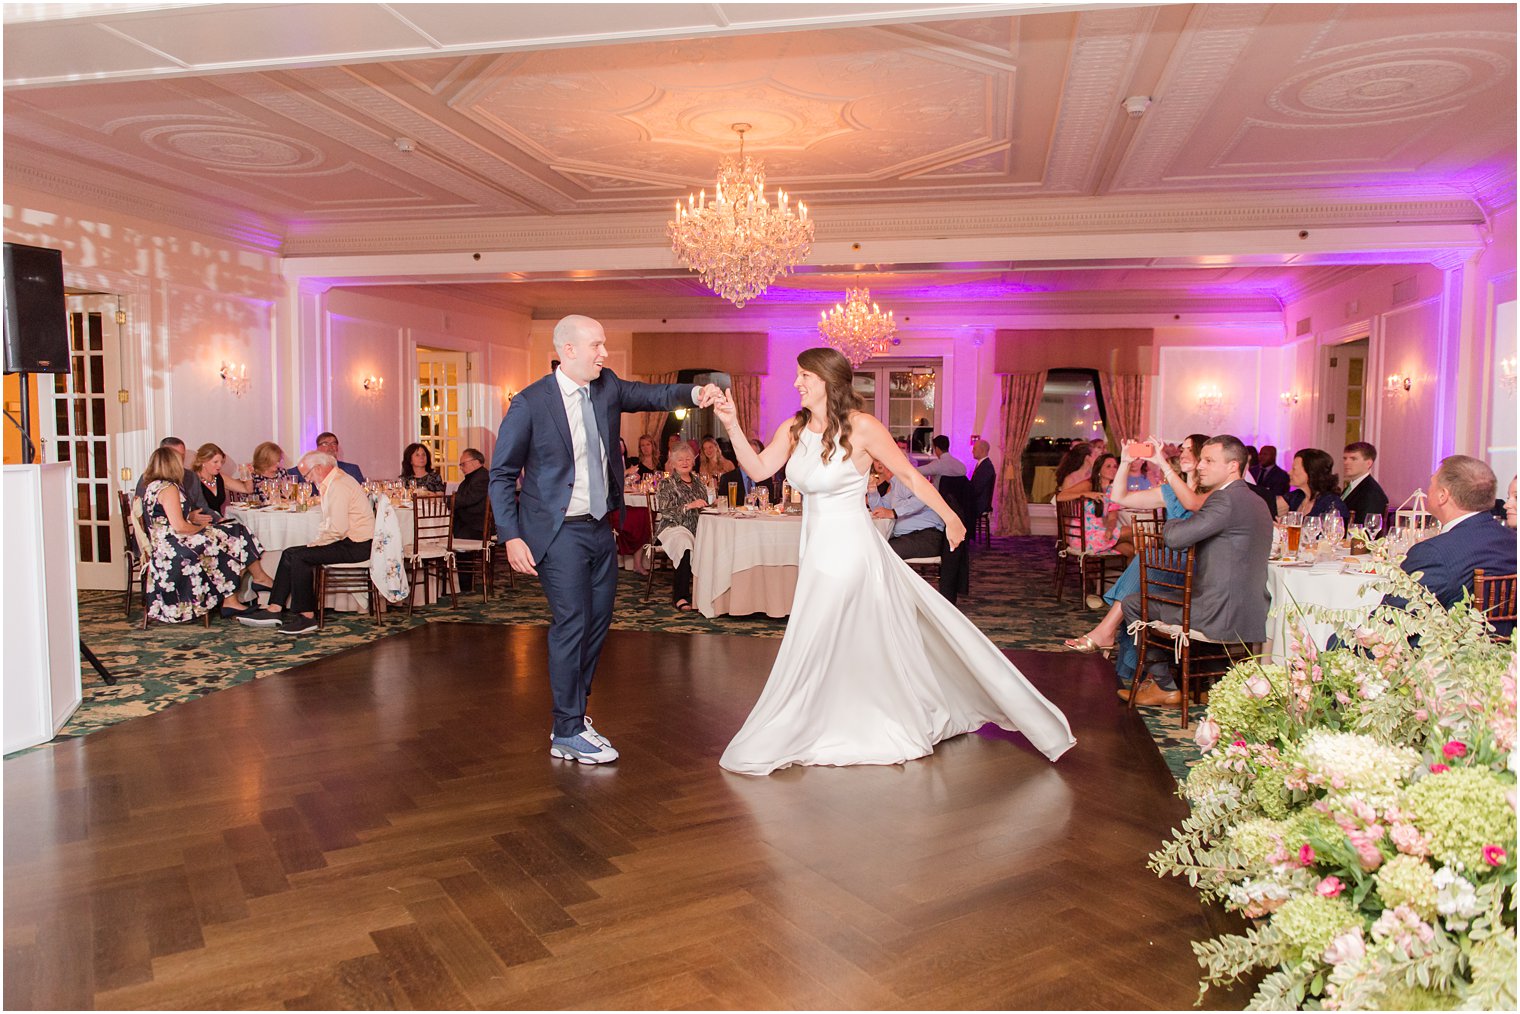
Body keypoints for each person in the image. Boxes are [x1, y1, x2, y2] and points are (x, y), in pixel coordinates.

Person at [712, 347, 1075, 775]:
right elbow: (756, 469)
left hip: (849, 548)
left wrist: (951, 517)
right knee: (839, 636)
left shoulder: (863, 427)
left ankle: (826, 720)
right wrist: (733, 424)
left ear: (828, 380)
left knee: (818, 636)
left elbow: (909, 475)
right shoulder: (794, 428)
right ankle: (836, 714)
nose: (797, 384)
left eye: (804, 377)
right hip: (815, 549)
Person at [490, 314, 723, 765]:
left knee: (597, 625)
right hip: (557, 532)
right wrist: (511, 536)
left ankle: (573, 717)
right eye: (596, 346)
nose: (604, 354)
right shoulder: (530, 402)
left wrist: (696, 393)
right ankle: (567, 728)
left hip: (601, 527)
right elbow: (501, 475)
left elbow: (653, 394)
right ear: (569, 350)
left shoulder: (607, 386)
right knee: (572, 623)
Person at [1120, 435, 1273, 706]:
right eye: (1201, 459)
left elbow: (1176, 539)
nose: (1201, 466)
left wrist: (1172, 519)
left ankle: (1164, 686)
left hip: (1217, 612)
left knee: (1133, 603)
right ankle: (1185, 684)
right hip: (1248, 609)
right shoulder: (1256, 500)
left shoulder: (1224, 500)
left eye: (1209, 460)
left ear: (1232, 466)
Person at [1065, 434, 1209, 658]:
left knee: (1147, 562)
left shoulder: (1209, 493)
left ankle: (1106, 633)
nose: (1184, 454)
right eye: (1183, 449)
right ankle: (1113, 639)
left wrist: (1162, 463)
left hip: (1197, 565)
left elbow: (1193, 505)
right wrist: (1124, 462)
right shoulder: (1169, 492)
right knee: (1145, 565)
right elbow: (1120, 497)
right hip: (1170, 563)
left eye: (1191, 449)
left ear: (1204, 456)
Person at [238, 450, 376, 635]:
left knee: (300, 557)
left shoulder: (339, 485)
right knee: (289, 553)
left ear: (318, 468)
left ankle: (307, 616)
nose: (308, 480)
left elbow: (337, 528)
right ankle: (274, 609)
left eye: (307, 474)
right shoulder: (334, 482)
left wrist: (316, 544)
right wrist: (316, 543)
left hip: (358, 545)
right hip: (350, 541)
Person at [1385, 456, 1516, 635]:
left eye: (1431, 483)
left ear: (1442, 495)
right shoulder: (1512, 540)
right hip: (1504, 655)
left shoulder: (1433, 554)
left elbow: (1392, 621)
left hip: (1446, 656)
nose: (1427, 489)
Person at [139, 447, 272, 623]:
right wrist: (200, 529)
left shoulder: (152, 486)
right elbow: (179, 526)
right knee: (233, 537)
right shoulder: (168, 488)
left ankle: (238, 595)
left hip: (168, 543)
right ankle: (251, 585)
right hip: (175, 546)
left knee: (235, 532)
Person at [653, 444, 709, 611]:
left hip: (697, 528)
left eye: (688, 459)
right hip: (673, 528)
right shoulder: (666, 483)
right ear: (673, 463)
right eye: (680, 459)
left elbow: (703, 506)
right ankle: (680, 596)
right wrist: (689, 506)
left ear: (693, 462)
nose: (685, 462)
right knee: (684, 543)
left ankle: (708, 595)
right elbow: (665, 510)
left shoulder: (699, 482)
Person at [1055, 452, 1134, 562]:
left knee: (1132, 551)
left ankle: (1130, 579)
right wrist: (1086, 494)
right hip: (1083, 537)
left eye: (1115, 466)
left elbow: (1112, 518)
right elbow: (1060, 496)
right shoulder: (1089, 484)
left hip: (1102, 534)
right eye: (1108, 466)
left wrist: (1110, 530)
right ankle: (1156, 551)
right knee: (1132, 532)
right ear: (1099, 470)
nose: (1113, 469)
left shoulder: (1113, 490)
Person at [867, 455, 946, 560]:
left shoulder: (906, 481)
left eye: (882, 459)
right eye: (876, 460)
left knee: (881, 553)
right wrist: (872, 490)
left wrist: (894, 512)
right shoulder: (894, 487)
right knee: (876, 549)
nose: (879, 463)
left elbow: (922, 497)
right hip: (911, 536)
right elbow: (880, 510)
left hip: (926, 536)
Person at [135, 436, 216, 522]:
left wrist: (219, 520)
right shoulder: (149, 479)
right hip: (167, 530)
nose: (180, 460)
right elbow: (145, 514)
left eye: (182, 456)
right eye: (176, 456)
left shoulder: (191, 476)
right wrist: (187, 517)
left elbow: (202, 507)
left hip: (193, 526)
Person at [1279, 448, 1348, 523]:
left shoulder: (1332, 504)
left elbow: (1333, 532)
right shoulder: (1296, 497)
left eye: (1294, 469)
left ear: (1311, 472)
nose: (1289, 472)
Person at [189, 442, 255, 516]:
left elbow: (248, 490)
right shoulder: (192, 479)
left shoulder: (220, 477)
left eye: (221, 462)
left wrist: (248, 473)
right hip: (201, 523)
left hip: (219, 521)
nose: (219, 465)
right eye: (215, 462)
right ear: (203, 462)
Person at [1340, 441, 1388, 525]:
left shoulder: (1371, 492)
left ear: (1368, 463)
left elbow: (1365, 529)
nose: (1346, 462)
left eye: (1353, 459)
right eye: (1345, 458)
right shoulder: (1352, 487)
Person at [969, 439, 996, 519]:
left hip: (980, 504)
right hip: (978, 501)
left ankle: (967, 530)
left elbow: (977, 488)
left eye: (974, 449)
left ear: (982, 450)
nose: (972, 451)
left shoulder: (986, 467)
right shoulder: (983, 465)